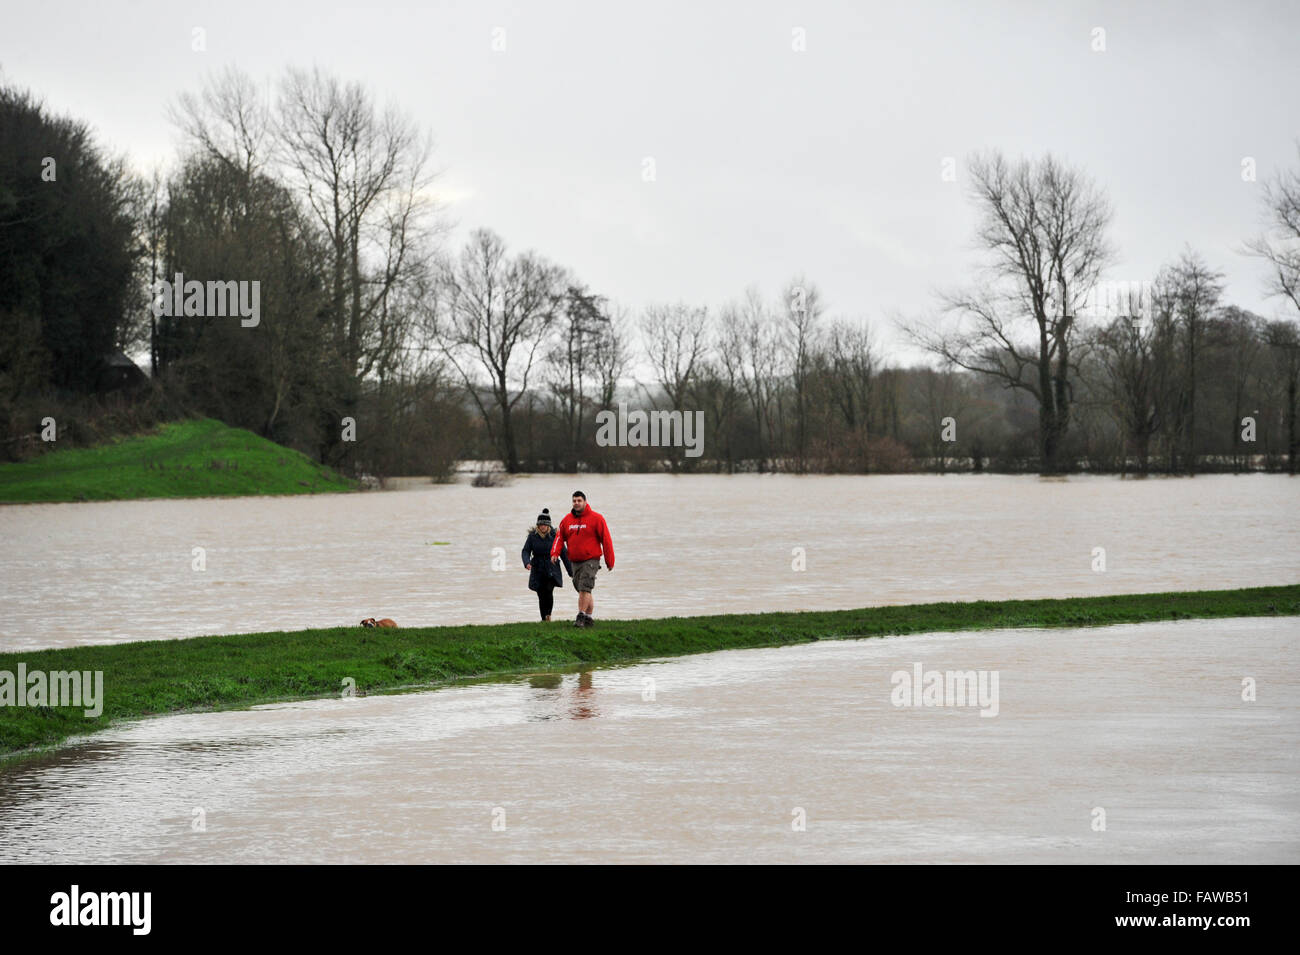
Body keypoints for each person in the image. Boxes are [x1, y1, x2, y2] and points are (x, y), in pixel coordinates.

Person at [551, 490, 614, 628]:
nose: (576, 503)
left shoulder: (597, 518)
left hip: (591, 559)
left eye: (579, 501)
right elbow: (559, 537)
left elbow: (606, 540)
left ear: (585, 502)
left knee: (585, 586)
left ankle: (580, 616)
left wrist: (610, 561)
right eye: (574, 501)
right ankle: (589, 618)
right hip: (574, 560)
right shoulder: (566, 520)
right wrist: (554, 553)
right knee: (582, 589)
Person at [523, 509, 571, 621]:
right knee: (541, 593)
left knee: (548, 591)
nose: (542, 526)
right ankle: (544, 618)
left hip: (551, 567)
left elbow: (564, 554)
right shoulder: (532, 536)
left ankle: (548, 615)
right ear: (538, 525)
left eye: (544, 524)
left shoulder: (556, 536)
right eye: (540, 524)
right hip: (537, 568)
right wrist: (527, 562)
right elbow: (525, 551)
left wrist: (571, 571)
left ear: (548, 525)